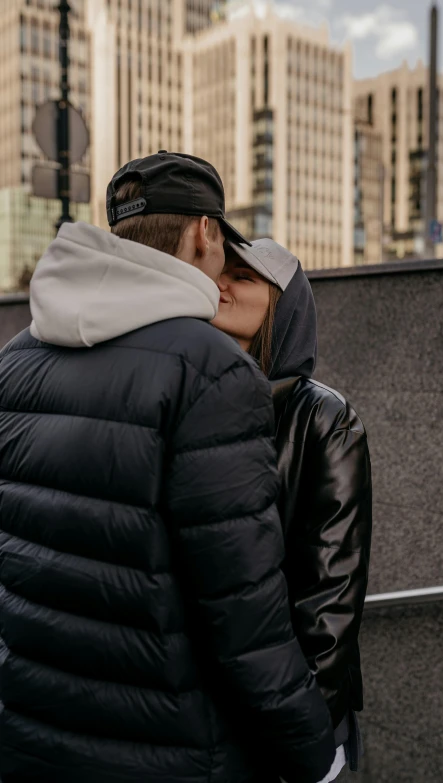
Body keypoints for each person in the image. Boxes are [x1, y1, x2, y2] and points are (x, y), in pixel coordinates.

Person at [0, 153, 336, 783]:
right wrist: (316, 753)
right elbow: (244, 610)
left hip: (30, 737)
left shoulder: (16, 359)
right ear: (206, 232)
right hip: (169, 751)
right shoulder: (211, 370)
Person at [213, 239, 373, 782]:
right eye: (218, 270)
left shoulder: (324, 416)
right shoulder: (197, 396)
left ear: (284, 304)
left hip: (298, 708)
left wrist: (304, 724)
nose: (220, 284)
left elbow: (332, 593)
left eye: (243, 277)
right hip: (214, 712)